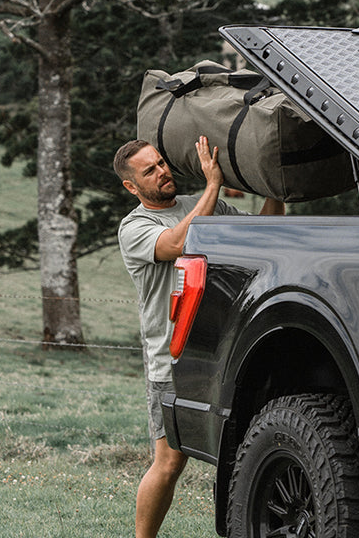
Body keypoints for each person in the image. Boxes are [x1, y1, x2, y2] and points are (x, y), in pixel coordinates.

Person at [114, 136, 284, 538]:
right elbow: (179, 242)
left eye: (161, 163)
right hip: (170, 359)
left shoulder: (196, 204)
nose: (162, 172)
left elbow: (260, 231)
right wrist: (213, 185)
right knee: (170, 461)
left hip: (218, 355)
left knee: (238, 450)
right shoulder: (135, 227)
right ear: (132, 186)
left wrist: (275, 188)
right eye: (149, 171)